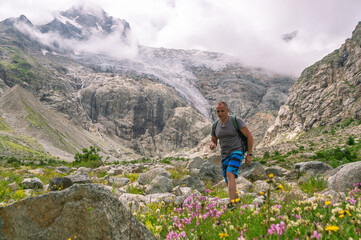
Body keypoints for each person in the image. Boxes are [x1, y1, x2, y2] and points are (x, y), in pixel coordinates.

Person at [210, 101, 254, 208]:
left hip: (237, 151)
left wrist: (249, 154)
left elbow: (249, 136)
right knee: (228, 181)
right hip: (224, 155)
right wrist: (212, 144)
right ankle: (237, 201)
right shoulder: (215, 125)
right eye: (218, 111)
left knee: (230, 174)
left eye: (222, 111)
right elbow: (214, 140)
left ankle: (231, 204)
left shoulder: (236, 120)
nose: (220, 113)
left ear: (227, 110)